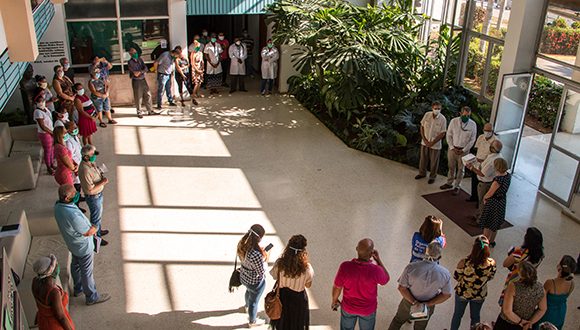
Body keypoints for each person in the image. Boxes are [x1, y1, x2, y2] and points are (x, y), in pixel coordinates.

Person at [54, 184, 111, 305]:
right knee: (87, 272)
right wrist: (96, 225)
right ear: (66, 198)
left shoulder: (58, 206)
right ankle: (92, 296)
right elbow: (88, 232)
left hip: (72, 244)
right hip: (83, 246)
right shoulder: (73, 216)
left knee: (75, 265)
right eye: (74, 194)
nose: (77, 195)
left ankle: (78, 288)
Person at [388, 241, 452, 330]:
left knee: (398, 321)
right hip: (428, 306)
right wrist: (428, 303)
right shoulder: (445, 274)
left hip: (408, 302)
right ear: (440, 257)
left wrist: (414, 302)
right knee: (420, 327)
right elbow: (447, 294)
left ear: (425, 252)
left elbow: (401, 288)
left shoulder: (411, 267)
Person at [332, 238, 389, 330]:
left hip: (348, 308)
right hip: (368, 310)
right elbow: (386, 279)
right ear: (371, 254)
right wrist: (378, 260)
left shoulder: (345, 266)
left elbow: (337, 287)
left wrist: (334, 300)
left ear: (356, 249)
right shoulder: (376, 270)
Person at [450, 235, 497, 330]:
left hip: (463, 293)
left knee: (457, 315)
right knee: (475, 317)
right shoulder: (491, 263)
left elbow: (457, 277)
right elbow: (491, 277)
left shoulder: (464, 262)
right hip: (479, 294)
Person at [270, 235, 314, 330]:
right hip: (298, 300)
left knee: (282, 323)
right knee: (297, 324)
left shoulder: (279, 264)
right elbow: (308, 285)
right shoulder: (307, 268)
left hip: (282, 297)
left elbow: (274, 276)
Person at [499, 227, 545, 306]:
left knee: (508, 300)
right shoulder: (541, 254)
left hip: (515, 279)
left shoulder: (520, 252)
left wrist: (512, 252)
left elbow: (505, 264)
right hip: (529, 280)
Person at [494, 261, 547, 330]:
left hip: (507, 323)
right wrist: (529, 322)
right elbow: (542, 309)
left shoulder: (513, 286)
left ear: (520, 274)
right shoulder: (541, 288)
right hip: (525, 325)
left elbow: (507, 311)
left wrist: (520, 321)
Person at [440, 106, 477, 195]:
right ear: (460, 114)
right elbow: (449, 135)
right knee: (451, 166)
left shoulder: (472, 124)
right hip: (453, 149)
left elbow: (472, 139)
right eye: (464, 115)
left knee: (461, 169)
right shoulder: (454, 121)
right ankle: (449, 183)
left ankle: (457, 186)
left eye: (468, 116)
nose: (466, 117)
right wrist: (452, 147)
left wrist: (464, 149)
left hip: (464, 151)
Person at [31, 255, 75, 330]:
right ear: (50, 272)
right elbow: (61, 317)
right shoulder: (53, 292)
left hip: (43, 320)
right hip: (54, 326)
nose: (57, 267)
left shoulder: (35, 281)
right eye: (55, 266)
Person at [78, 144, 110, 246]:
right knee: (95, 219)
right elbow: (90, 190)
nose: (94, 155)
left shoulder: (90, 162)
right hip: (94, 197)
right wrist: (102, 182)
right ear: (86, 156)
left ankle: (99, 230)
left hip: (98, 195)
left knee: (98, 217)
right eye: (92, 154)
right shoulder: (85, 169)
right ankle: (97, 239)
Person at [237, 224, 268, 327]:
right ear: (258, 238)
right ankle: (252, 321)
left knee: (248, 292)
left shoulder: (242, 244)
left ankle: (246, 306)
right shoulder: (256, 254)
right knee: (254, 302)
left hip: (244, 277)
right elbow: (261, 271)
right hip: (255, 281)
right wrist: (265, 258)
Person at [466, 140, 503, 221]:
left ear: (493, 148)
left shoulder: (493, 160)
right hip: (487, 182)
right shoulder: (496, 156)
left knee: (483, 202)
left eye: (491, 146)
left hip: (485, 184)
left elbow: (482, 174)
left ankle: (480, 220)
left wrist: (471, 168)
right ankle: (478, 215)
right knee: (480, 202)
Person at [536, 255, 576, 329]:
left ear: (559, 268)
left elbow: (541, 299)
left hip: (548, 313)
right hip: (561, 312)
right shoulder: (572, 283)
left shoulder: (550, 283)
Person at [479, 157, 511, 246]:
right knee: (495, 223)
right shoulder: (507, 176)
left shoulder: (498, 180)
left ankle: (483, 243)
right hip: (501, 201)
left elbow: (490, 193)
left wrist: (484, 197)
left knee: (488, 223)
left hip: (493, 203)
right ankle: (492, 241)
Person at [415, 101, 446, 184]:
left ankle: (432, 176)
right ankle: (422, 173)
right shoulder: (427, 115)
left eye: (439, 109)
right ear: (432, 108)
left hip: (435, 145)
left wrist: (432, 142)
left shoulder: (443, 119)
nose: (437, 110)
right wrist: (424, 139)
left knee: (434, 162)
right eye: (435, 108)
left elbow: (442, 133)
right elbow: (422, 126)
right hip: (424, 142)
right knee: (423, 159)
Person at [467, 123, 496, 203]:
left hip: (486, 164)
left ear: (492, 131)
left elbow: (494, 155)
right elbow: (476, 148)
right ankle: (473, 197)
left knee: (482, 183)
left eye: (489, 131)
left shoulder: (495, 141)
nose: (487, 132)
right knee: (474, 180)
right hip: (477, 162)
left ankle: (480, 201)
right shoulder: (481, 137)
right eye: (485, 130)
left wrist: (483, 161)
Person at [127, 48, 154, 118]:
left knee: (148, 94)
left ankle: (150, 110)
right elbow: (135, 73)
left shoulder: (140, 60)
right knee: (138, 97)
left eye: (135, 52)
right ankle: (139, 112)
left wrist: (141, 72)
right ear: (130, 54)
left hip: (143, 79)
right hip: (136, 81)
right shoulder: (130, 62)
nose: (135, 54)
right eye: (133, 53)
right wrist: (142, 71)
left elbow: (146, 68)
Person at [33, 93, 55, 175]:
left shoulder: (45, 108)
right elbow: (42, 126)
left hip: (50, 131)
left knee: (52, 150)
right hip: (45, 133)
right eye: (39, 102)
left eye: (43, 101)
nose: (41, 103)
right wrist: (52, 133)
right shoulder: (37, 112)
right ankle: (49, 167)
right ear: (36, 103)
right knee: (48, 151)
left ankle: (52, 164)